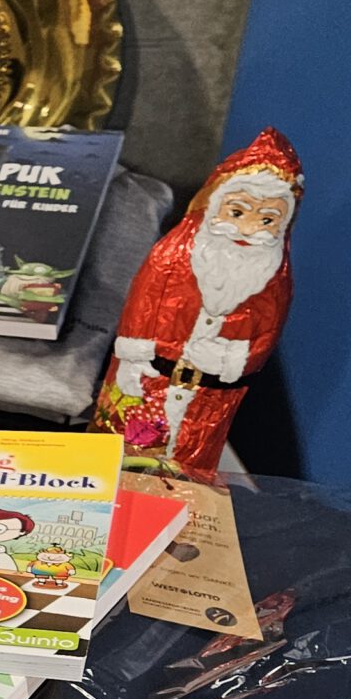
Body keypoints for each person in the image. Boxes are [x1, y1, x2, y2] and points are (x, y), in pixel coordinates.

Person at [93, 128, 301, 468]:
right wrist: (132, 360)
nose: (248, 229)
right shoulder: (173, 256)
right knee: (122, 453)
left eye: (266, 220)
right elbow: (140, 310)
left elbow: (265, 334)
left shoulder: (273, 278)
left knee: (188, 467)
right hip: (149, 381)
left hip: (209, 398)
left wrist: (233, 357)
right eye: (237, 213)